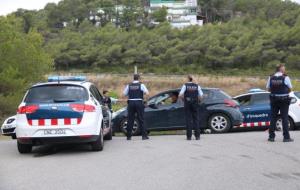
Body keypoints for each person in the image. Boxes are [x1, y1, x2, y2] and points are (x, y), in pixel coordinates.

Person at [266, 64, 294, 142]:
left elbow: (268, 88)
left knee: (273, 118)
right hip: (284, 99)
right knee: (284, 117)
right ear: (281, 69)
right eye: (283, 68)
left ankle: (271, 137)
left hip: (274, 99)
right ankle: (286, 137)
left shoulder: (271, 77)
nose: (284, 69)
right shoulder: (285, 77)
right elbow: (290, 88)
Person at [123, 74, 149, 140]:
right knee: (141, 119)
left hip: (131, 102)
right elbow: (147, 93)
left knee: (130, 119)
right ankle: (144, 136)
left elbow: (124, 94)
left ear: (133, 78)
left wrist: (131, 95)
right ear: (138, 78)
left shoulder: (129, 85)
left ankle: (129, 136)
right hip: (139, 102)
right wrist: (145, 100)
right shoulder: (141, 85)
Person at [179, 75, 203, 140]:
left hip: (187, 103)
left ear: (188, 79)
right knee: (196, 119)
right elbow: (201, 95)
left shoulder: (185, 85)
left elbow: (180, 95)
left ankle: (189, 136)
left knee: (188, 120)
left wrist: (184, 100)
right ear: (192, 79)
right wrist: (199, 102)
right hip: (195, 103)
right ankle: (197, 136)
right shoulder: (197, 86)